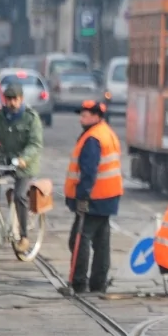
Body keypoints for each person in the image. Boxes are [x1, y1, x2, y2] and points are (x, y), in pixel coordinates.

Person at [0, 83, 43, 252]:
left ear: (21, 99)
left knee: (19, 196)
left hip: (24, 165)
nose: (11, 103)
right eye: (8, 99)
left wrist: (24, 159)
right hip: (4, 161)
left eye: (15, 99)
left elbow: (35, 143)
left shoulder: (31, 118)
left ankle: (24, 236)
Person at [64, 100, 124, 294]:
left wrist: (82, 197)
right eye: (81, 114)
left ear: (97, 116)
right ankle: (98, 283)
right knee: (102, 241)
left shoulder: (93, 138)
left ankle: (79, 282)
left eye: (85, 114)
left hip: (93, 198)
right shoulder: (107, 133)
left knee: (79, 239)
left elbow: (89, 172)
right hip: (109, 197)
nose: (82, 118)